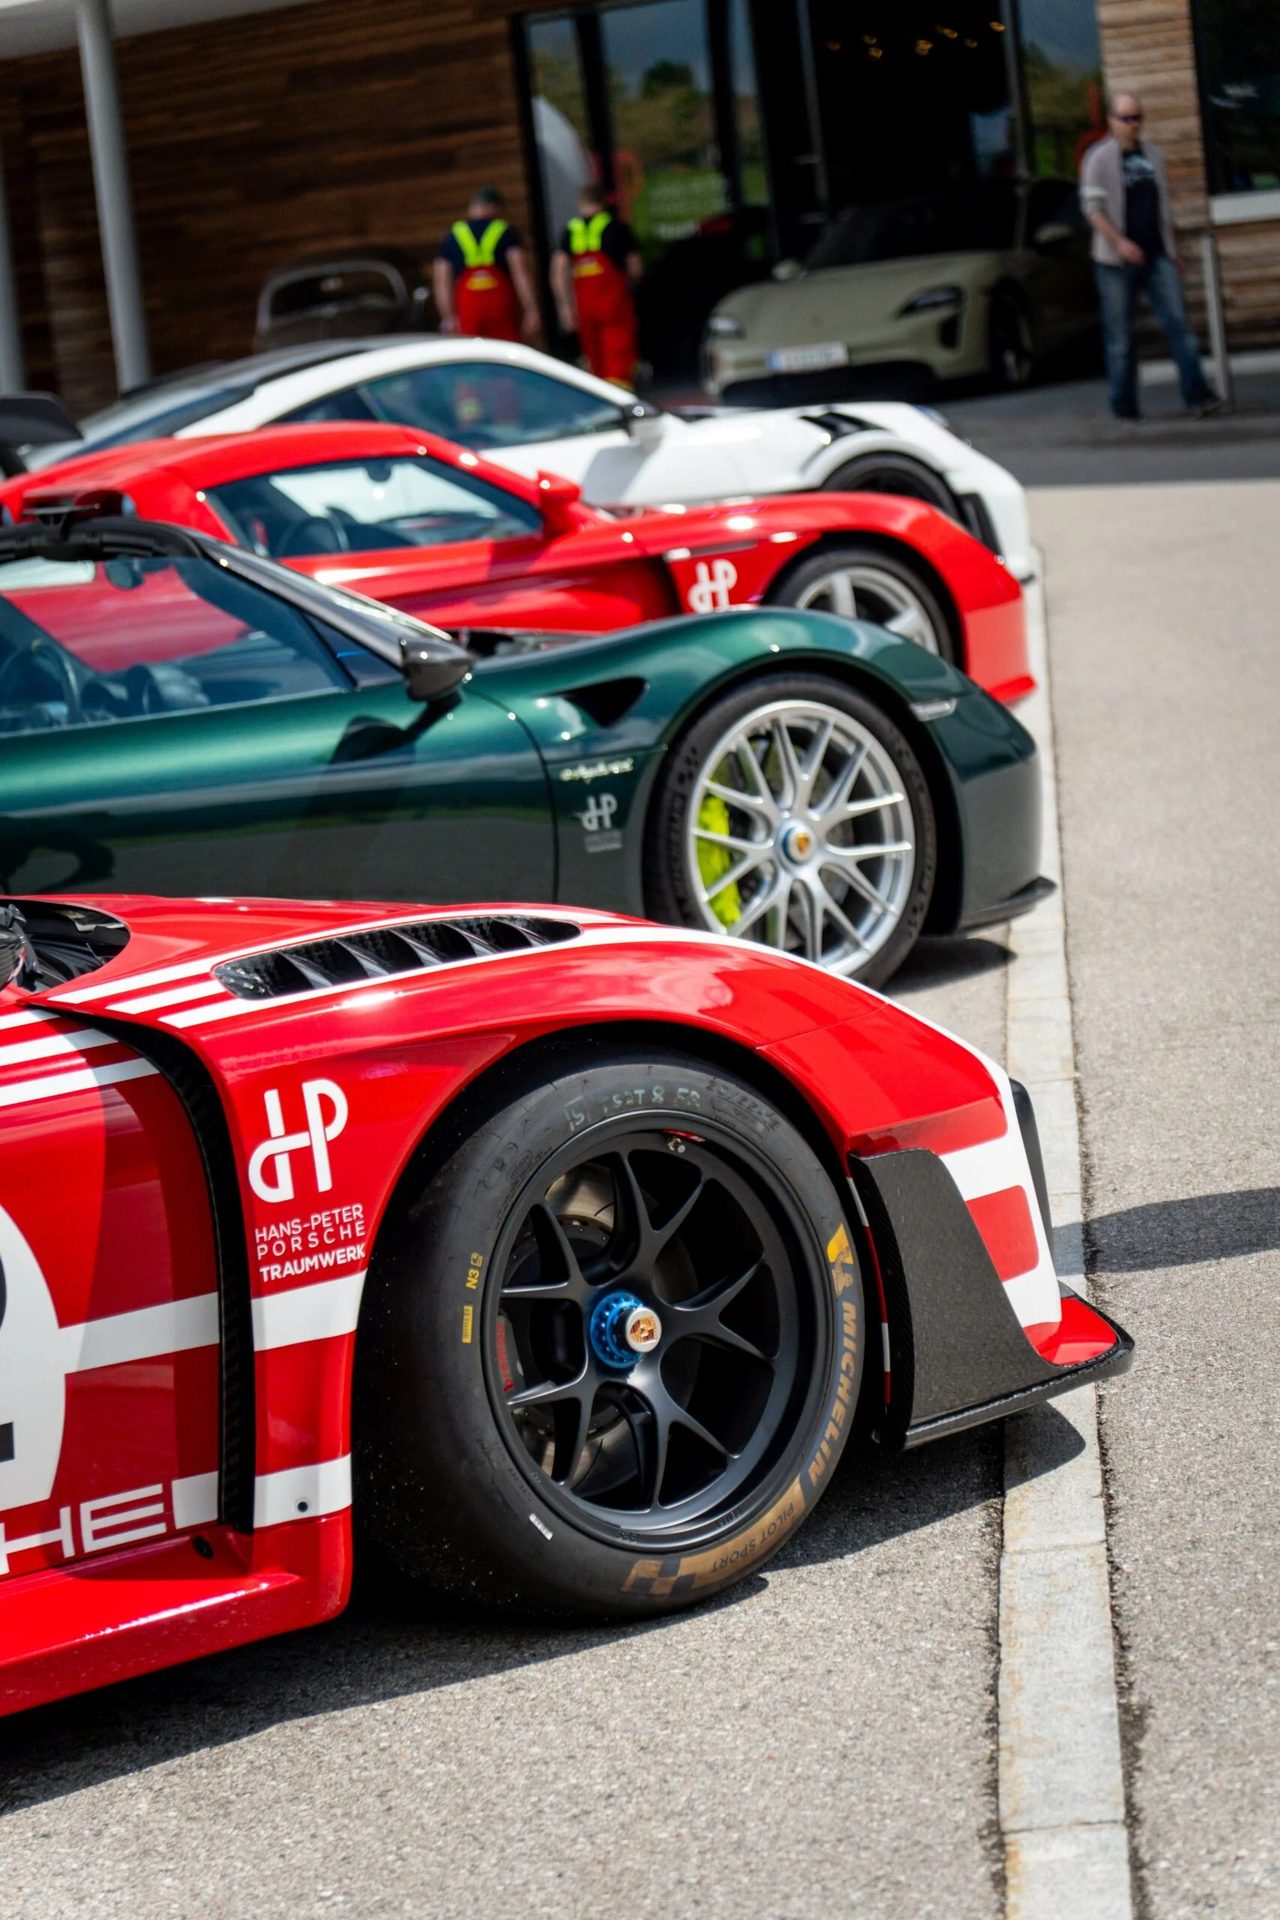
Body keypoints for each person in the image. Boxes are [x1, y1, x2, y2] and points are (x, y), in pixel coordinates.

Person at [1080, 93, 1220, 421]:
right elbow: (1093, 210)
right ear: (1112, 120)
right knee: (1121, 337)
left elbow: (1163, 208)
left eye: (1138, 118)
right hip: (1115, 261)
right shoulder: (1098, 158)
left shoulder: (1153, 155)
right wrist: (1121, 243)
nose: (1133, 125)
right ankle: (1124, 405)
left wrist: (1173, 251)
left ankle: (1198, 396)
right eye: (1126, 118)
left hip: (1156, 253)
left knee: (1179, 324)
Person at [551, 184, 643, 387]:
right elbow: (636, 268)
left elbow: (558, 272)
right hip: (614, 308)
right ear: (603, 201)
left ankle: (601, 397)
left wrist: (565, 308)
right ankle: (619, 399)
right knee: (618, 360)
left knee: (595, 362)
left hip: (585, 309)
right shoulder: (617, 228)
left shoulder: (571, 230)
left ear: (580, 202)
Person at [433, 187, 539, 344]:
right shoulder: (505, 232)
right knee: (505, 350)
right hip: (500, 305)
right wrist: (531, 310)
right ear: (495, 208)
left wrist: (448, 317)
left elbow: (442, 281)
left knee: (471, 352)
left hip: (468, 306)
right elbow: (521, 273)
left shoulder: (453, 235)